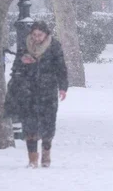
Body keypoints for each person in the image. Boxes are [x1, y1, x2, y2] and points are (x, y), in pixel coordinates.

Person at [6, 21, 68, 168]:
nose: (36, 38)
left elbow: (61, 67)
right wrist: (23, 62)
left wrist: (63, 87)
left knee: (48, 123)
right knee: (29, 124)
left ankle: (46, 156)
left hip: (48, 90)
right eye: (34, 35)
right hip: (28, 91)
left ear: (46, 34)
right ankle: (32, 159)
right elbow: (16, 68)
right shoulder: (24, 45)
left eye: (39, 35)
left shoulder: (54, 46)